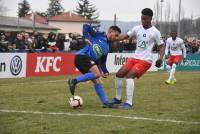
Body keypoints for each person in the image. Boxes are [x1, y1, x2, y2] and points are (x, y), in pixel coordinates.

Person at [109, 8, 165, 109]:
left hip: (145, 60)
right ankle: (117, 99)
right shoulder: (137, 28)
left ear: (150, 18)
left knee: (129, 76)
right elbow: (125, 36)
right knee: (119, 74)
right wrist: (115, 38)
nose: (143, 20)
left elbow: (161, 46)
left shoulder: (155, 32)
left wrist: (160, 58)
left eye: (145, 19)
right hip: (135, 58)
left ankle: (128, 103)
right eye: (142, 18)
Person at [67, 23, 121, 107]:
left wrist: (105, 71)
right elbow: (86, 26)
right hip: (82, 56)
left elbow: (102, 62)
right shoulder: (100, 35)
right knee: (96, 74)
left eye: (118, 36)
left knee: (98, 81)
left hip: (86, 60)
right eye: (116, 35)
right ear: (110, 31)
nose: (116, 38)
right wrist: (86, 37)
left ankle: (105, 103)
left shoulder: (107, 47)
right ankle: (74, 81)